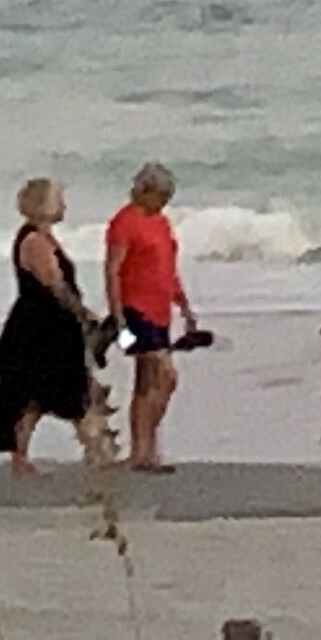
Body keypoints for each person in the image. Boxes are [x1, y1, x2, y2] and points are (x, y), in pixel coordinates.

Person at [0, 177, 105, 471]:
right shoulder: (33, 240)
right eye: (59, 199)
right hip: (41, 327)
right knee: (54, 392)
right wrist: (84, 314)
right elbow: (54, 284)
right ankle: (93, 449)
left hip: (48, 324)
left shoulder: (43, 237)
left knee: (40, 395)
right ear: (43, 205)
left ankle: (31, 457)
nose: (64, 205)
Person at [104, 160, 199, 472]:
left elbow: (167, 268)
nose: (165, 202)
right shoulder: (124, 222)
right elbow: (113, 270)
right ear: (145, 190)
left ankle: (146, 449)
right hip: (135, 308)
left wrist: (183, 304)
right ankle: (142, 449)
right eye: (161, 195)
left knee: (149, 383)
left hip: (160, 310)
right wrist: (117, 316)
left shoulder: (161, 223)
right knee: (163, 375)